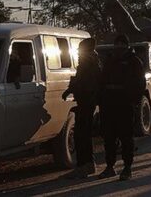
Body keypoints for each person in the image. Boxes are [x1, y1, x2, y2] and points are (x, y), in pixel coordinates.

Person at [98, 35, 145, 181]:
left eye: (121, 44)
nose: (119, 47)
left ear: (126, 45)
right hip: (108, 103)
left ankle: (127, 167)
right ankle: (110, 166)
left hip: (125, 104)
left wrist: (134, 101)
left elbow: (140, 83)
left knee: (126, 137)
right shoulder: (110, 60)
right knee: (109, 137)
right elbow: (102, 81)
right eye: (117, 44)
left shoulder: (133, 61)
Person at [61, 38, 101, 179]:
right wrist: (70, 90)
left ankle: (84, 166)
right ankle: (88, 165)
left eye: (80, 50)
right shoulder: (91, 62)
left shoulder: (88, 63)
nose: (78, 53)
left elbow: (84, 82)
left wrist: (73, 90)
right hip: (86, 102)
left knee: (81, 135)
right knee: (84, 135)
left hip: (86, 102)